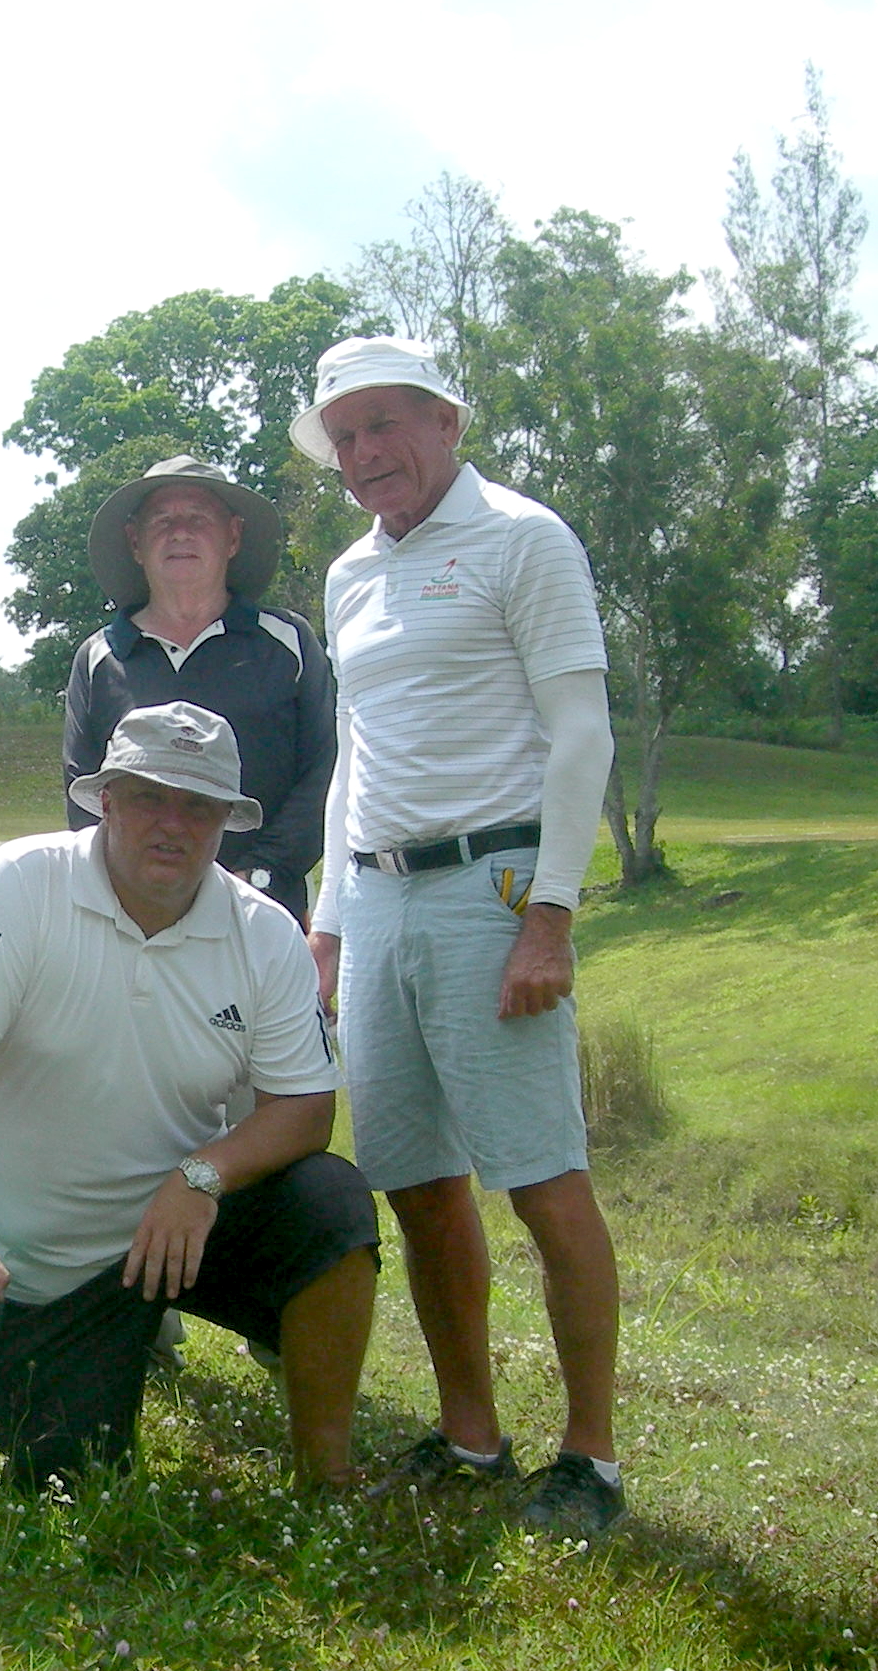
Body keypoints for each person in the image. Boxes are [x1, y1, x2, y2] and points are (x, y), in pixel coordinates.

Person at [291, 336, 627, 1539]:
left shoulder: (522, 539)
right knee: (414, 1182)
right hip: (376, 895)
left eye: (383, 423)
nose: (363, 452)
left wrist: (550, 913)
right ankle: (471, 1433)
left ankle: (588, 1457)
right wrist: (328, 922)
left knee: (538, 1176)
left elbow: (579, 732)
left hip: (492, 885)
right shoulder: (348, 574)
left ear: (444, 421)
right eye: (343, 436)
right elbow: (354, 757)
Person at [0, 701, 379, 1489]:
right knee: (68, 1483)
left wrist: (201, 1177)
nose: (172, 825)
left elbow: (305, 1109)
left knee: (330, 1202)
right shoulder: (19, 883)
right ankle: (99, 1355)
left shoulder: (266, 934)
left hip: (179, 1228)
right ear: (107, 799)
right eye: (150, 797)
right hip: (36, 1272)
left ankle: (325, 1473)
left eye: (198, 806)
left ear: (227, 820)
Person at [65, 455, 336, 928]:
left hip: (263, 909)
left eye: (198, 519)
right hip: (133, 916)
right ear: (135, 542)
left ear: (233, 537)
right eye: (162, 520)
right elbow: (84, 794)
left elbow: (325, 771)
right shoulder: (99, 657)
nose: (180, 533)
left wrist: (261, 874)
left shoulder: (289, 642)